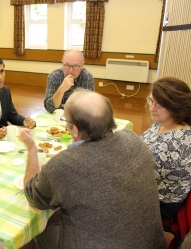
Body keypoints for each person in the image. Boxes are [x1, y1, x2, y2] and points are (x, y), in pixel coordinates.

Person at [19, 88, 167, 249]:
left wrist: (32, 148)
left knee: (38, 230)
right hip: (151, 243)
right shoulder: (133, 139)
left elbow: (32, 196)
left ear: (74, 130)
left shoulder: (64, 164)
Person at [141, 77, 191, 220]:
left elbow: (140, 175)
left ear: (176, 107)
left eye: (159, 105)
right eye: (151, 101)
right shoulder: (162, 122)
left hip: (160, 202)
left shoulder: (178, 143)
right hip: (147, 185)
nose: (152, 108)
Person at [44, 49, 94, 113]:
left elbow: (88, 108)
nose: (70, 70)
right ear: (62, 63)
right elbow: (49, 107)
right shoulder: (53, 76)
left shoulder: (87, 77)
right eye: (67, 65)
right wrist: (61, 89)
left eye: (75, 66)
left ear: (82, 65)